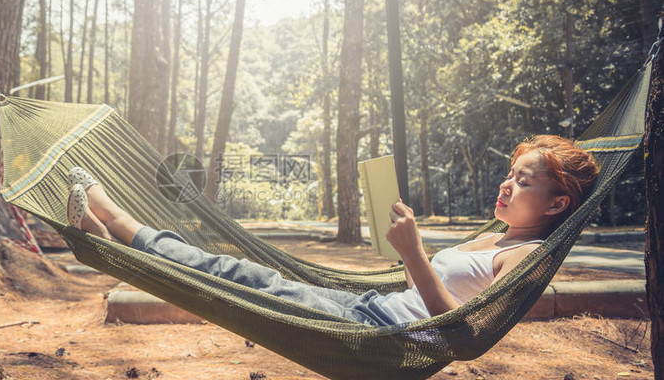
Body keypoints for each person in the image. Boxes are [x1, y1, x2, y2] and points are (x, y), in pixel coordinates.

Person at [66, 135, 599, 326]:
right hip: (367, 307)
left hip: (372, 329)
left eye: (522, 181)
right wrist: (411, 254)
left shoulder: (526, 256)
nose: (506, 185)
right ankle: (113, 236)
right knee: (239, 273)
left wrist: (414, 254)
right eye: (509, 173)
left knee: (232, 274)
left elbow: (461, 329)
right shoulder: (495, 237)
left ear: (557, 202)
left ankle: (116, 224)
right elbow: (435, 295)